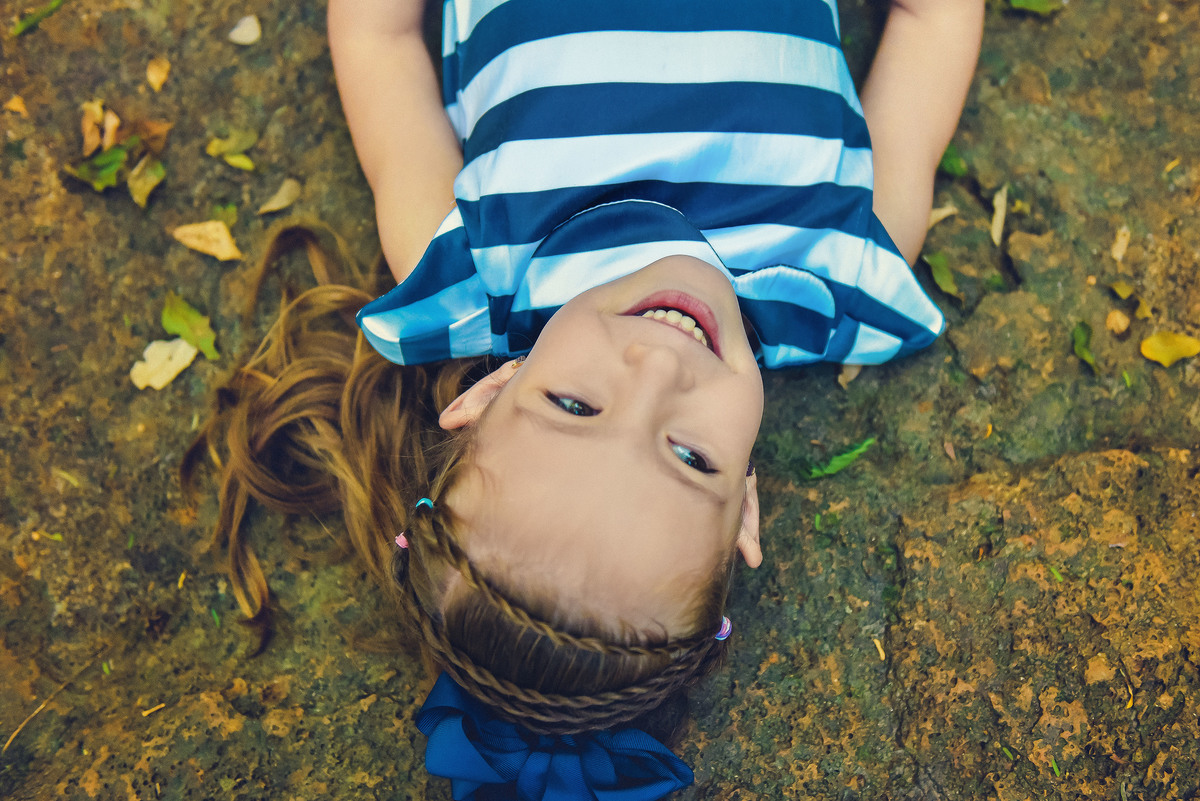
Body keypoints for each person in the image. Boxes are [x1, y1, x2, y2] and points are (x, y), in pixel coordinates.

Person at [191, 0, 983, 798]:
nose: (658, 368)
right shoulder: (844, 266)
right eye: (689, 455)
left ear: (489, 393)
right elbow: (930, 23)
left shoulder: (467, 268)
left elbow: (380, 37)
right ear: (747, 504)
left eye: (574, 406)